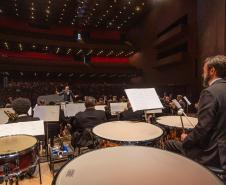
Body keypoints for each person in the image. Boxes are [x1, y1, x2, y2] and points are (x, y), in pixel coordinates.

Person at [165, 55, 226, 170]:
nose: (203, 75)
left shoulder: (210, 92)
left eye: (204, 71)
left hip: (214, 155)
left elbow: (202, 128)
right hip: (222, 150)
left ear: (212, 71)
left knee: (170, 143)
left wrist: (186, 139)